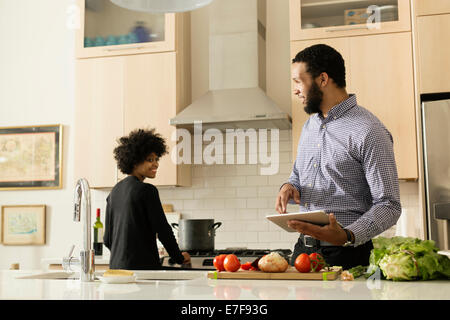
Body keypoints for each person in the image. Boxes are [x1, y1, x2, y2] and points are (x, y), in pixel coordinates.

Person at [275, 44, 401, 270]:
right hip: (303, 251)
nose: (295, 90)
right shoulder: (309, 126)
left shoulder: (369, 131)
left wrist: (347, 235)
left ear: (323, 79)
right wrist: (289, 185)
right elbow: (298, 173)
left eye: (298, 81)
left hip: (348, 255)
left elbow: (389, 205)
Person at [104, 128, 190, 270]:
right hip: (143, 271)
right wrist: (178, 257)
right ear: (134, 161)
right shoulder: (147, 190)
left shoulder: (114, 192)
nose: (156, 164)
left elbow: (107, 239)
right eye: (150, 160)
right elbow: (163, 230)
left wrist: (123, 256)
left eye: (156, 159)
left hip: (116, 270)